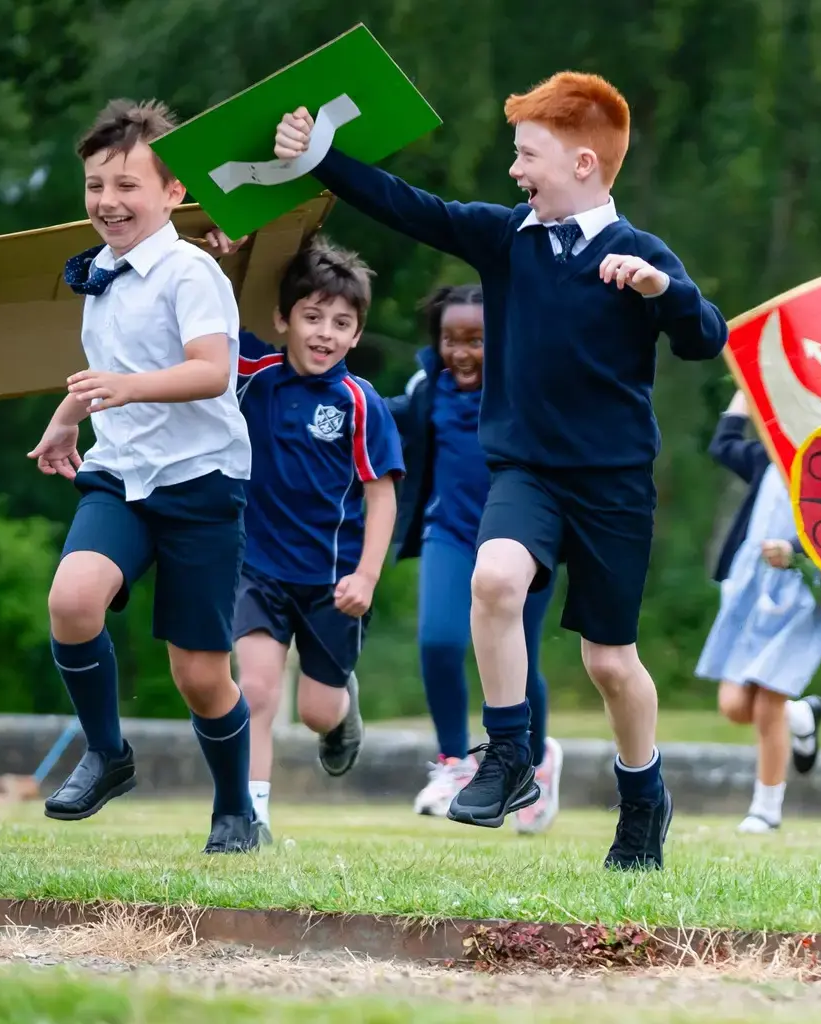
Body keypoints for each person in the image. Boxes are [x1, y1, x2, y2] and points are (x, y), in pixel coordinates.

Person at [279, 70, 728, 870]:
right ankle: (510, 752)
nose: (515, 171)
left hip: (613, 485)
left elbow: (704, 338)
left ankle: (642, 795)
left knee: (609, 663)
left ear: (583, 164)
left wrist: (665, 292)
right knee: (493, 581)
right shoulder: (504, 239)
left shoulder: (640, 255)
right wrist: (323, 159)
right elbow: (408, 206)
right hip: (526, 472)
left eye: (528, 155)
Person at [33, 99, 259, 852]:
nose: (108, 202)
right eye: (95, 185)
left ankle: (235, 809)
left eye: (127, 185)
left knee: (200, 676)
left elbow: (210, 370)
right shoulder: (101, 270)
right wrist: (69, 416)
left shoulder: (191, 271)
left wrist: (125, 389)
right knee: (72, 600)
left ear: (173, 193)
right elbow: (107, 369)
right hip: (121, 473)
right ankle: (105, 753)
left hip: (200, 484)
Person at [228, 239, 404, 838]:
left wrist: (367, 577)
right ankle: (250, 817)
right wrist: (233, 255)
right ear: (283, 319)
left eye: (342, 323)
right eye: (312, 317)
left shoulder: (360, 403)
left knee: (314, 711)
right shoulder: (254, 373)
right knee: (253, 690)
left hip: (334, 582)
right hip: (257, 567)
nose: (325, 333)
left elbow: (382, 495)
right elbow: (213, 313)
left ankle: (341, 712)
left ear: (357, 335)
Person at [388, 285, 561, 828]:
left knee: (520, 658)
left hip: (524, 542)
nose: (460, 352)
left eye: (476, 340)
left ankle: (533, 765)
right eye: (449, 340)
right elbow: (375, 416)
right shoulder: (427, 388)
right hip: (451, 533)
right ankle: (454, 762)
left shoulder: (526, 388)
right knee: (439, 640)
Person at [698, 394, 821, 833]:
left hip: (802, 598)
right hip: (751, 596)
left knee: (768, 703)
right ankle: (803, 716)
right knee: (735, 705)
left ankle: (766, 810)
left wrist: (794, 551)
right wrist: (745, 391)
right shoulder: (765, 459)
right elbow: (722, 443)